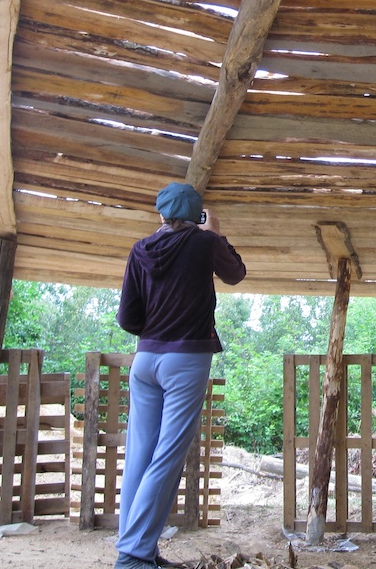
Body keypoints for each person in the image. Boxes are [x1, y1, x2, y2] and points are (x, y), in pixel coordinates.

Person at [114, 182, 246, 569]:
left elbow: (127, 318)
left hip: (145, 360)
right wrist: (216, 234)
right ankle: (134, 556)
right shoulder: (204, 243)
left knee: (139, 455)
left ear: (161, 214)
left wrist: (156, 328)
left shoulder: (140, 250)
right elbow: (235, 274)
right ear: (195, 215)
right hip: (185, 360)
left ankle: (140, 550)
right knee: (167, 458)